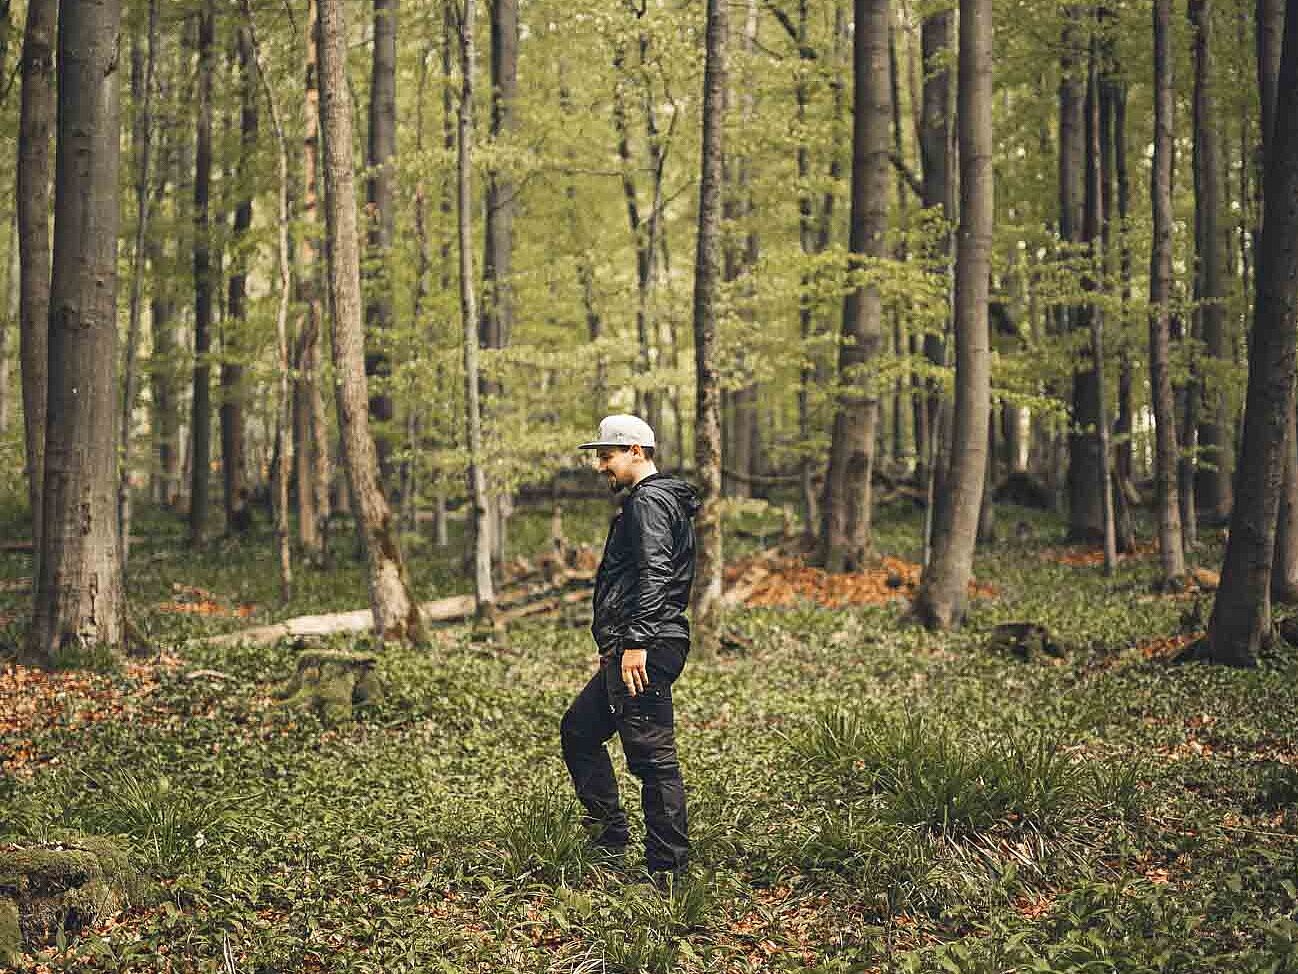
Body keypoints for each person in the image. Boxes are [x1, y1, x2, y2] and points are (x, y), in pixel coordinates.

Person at [561, 414, 700, 883]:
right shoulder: (656, 501)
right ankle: (609, 841)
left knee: (653, 759)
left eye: (607, 455)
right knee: (580, 730)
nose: (601, 466)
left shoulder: (649, 503)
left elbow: (654, 572)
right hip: (639, 643)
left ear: (635, 452)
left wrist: (637, 640)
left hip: (646, 644)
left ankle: (669, 875)